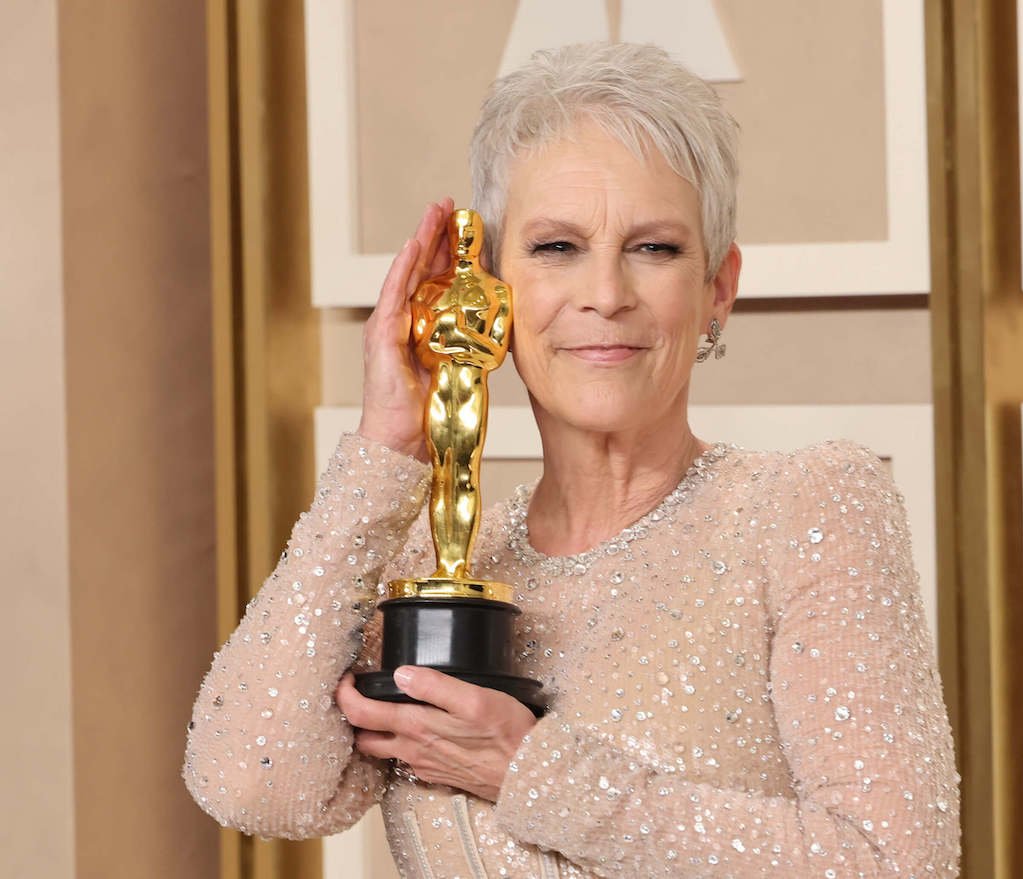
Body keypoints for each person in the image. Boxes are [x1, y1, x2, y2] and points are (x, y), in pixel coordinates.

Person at [184, 42, 960, 878]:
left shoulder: (804, 510)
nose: (607, 294)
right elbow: (252, 785)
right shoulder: (437, 569)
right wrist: (386, 451)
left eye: (654, 248)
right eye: (557, 247)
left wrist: (530, 770)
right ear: (486, 286)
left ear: (718, 289)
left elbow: (893, 862)